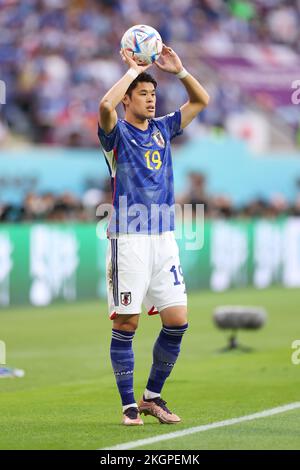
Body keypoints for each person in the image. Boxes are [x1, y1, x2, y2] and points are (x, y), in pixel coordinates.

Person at [98, 44, 209, 425]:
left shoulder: (163, 128)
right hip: (128, 238)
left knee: (177, 320)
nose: (150, 100)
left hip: (164, 238)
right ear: (128, 98)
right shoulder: (117, 134)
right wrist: (132, 71)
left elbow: (201, 99)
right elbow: (103, 108)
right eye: (143, 94)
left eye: (153, 94)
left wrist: (179, 70)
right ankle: (129, 405)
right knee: (126, 323)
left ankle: (152, 396)